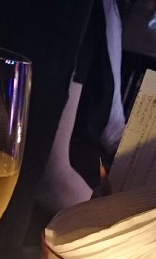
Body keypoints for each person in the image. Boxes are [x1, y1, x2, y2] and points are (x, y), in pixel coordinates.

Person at [34, 0, 126, 216]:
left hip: (99, 181)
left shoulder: (110, 7)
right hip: (66, 209)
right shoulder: (74, 12)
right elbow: (50, 179)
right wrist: (120, 228)